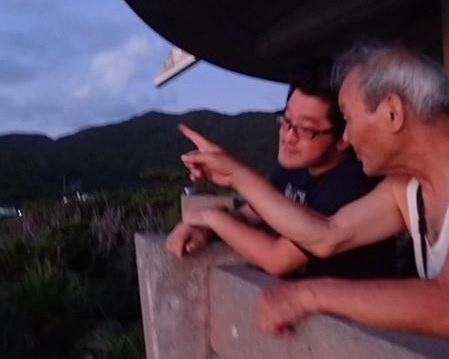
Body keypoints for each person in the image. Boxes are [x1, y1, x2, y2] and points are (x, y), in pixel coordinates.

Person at [179, 44, 449, 357]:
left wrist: (309, 295)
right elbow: (326, 235)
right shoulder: (406, 188)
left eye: (350, 117)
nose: (346, 136)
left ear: (392, 113)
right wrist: (235, 176)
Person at [168, 65, 402, 279]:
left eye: (306, 129)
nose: (289, 136)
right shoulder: (295, 169)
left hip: (344, 311)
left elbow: (277, 259)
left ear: (344, 137)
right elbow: (248, 215)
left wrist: (212, 215)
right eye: (287, 121)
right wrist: (204, 229)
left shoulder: (352, 184)